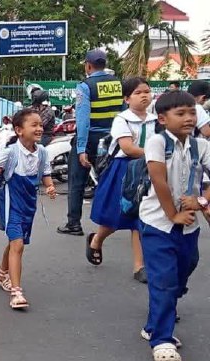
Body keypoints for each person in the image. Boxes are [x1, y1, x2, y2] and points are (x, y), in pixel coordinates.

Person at [137, 91, 210, 361]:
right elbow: (159, 181)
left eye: (192, 112)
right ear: (163, 119)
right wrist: (173, 215)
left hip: (189, 227)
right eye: (181, 114)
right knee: (164, 280)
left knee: (185, 268)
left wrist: (200, 200)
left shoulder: (201, 146)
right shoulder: (157, 142)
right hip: (157, 223)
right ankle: (162, 339)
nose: (189, 118)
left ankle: (154, 322)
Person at [0, 108, 56, 309]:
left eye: (40, 125)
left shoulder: (42, 152)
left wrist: (50, 186)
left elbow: (45, 174)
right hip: (11, 203)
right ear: (19, 130)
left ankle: (2, 272)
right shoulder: (10, 153)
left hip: (29, 203)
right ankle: (16, 292)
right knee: (17, 244)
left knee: (16, 243)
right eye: (33, 125)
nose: (39, 128)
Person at [86, 77, 156, 283]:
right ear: (127, 99)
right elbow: (128, 148)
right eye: (138, 93)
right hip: (124, 171)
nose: (144, 95)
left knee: (139, 219)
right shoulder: (122, 120)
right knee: (115, 217)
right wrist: (155, 153)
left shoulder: (155, 119)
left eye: (147, 91)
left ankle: (139, 266)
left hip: (148, 169)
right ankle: (96, 240)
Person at [58, 49, 123, 236]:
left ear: (88, 65)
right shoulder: (118, 84)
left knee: (77, 181)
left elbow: (83, 121)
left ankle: (74, 223)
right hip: (112, 139)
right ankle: (111, 222)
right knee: (109, 181)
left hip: (91, 139)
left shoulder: (85, 86)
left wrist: (81, 148)